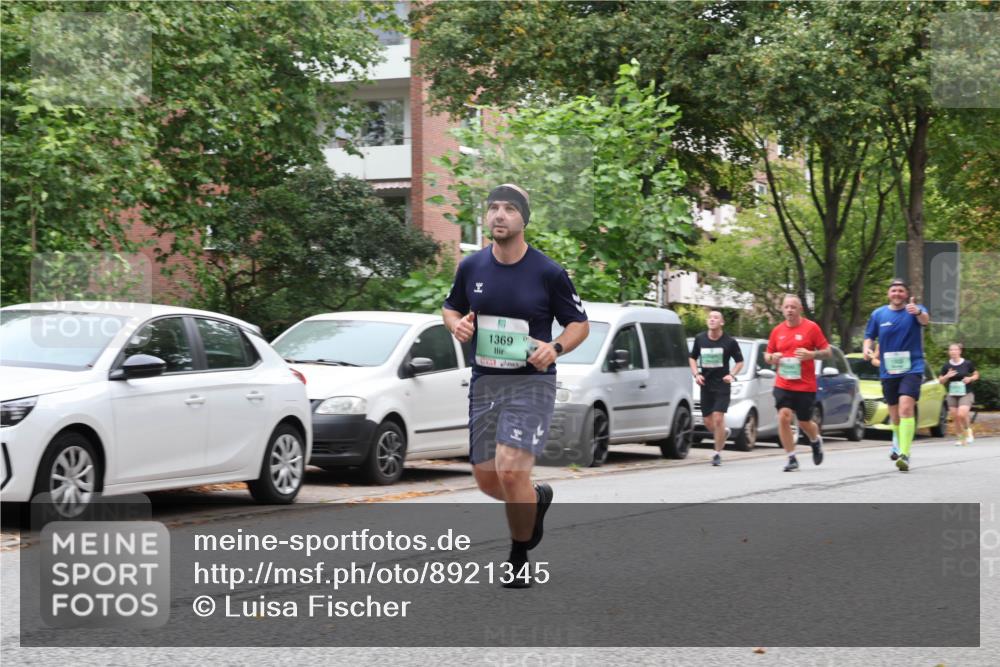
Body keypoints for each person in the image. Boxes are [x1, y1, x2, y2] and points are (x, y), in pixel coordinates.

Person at [442, 183, 589, 588]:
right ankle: (534, 500)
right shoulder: (472, 267)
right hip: (486, 382)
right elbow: (451, 306)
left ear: (524, 218)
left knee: (509, 470)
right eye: (493, 208)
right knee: (488, 479)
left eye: (509, 208)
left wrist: (555, 348)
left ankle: (518, 556)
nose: (500, 215)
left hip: (531, 384)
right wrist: (458, 325)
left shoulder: (548, 272)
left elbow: (580, 324)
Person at [862, 279, 931, 472]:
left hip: (912, 367)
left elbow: (925, 319)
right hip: (888, 370)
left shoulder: (914, 309)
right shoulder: (878, 314)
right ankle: (899, 445)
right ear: (888, 294)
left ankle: (905, 455)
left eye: (901, 290)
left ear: (906, 294)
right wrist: (867, 349)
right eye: (894, 290)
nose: (897, 293)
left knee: (906, 408)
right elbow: (869, 336)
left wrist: (917, 311)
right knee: (895, 416)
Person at [765, 295, 831, 472]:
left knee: (804, 422)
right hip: (783, 383)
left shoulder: (811, 328)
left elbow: (828, 351)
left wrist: (812, 355)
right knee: (783, 416)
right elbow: (767, 356)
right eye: (786, 307)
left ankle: (815, 440)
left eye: (793, 307)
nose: (789, 310)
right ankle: (791, 457)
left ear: (800, 309)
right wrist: (773, 358)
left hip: (805, 385)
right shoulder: (777, 331)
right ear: (782, 309)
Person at [689, 310, 744, 466]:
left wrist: (732, 375)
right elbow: (692, 358)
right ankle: (723, 433)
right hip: (705, 384)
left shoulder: (730, 342)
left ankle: (717, 453)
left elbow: (740, 362)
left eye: (716, 318)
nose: (712, 320)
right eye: (710, 317)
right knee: (708, 422)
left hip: (722, 384)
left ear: (722, 322)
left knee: (718, 418)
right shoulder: (700, 339)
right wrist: (696, 374)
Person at [938, 342, 979, 446]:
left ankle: (968, 431)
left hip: (966, 392)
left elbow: (976, 374)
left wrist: (970, 378)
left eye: (955, 350)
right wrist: (947, 376)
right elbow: (940, 381)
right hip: (952, 393)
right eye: (951, 350)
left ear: (960, 351)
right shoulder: (946, 365)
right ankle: (961, 438)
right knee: (955, 416)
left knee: (961, 414)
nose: (953, 352)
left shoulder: (967, 363)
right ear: (949, 352)